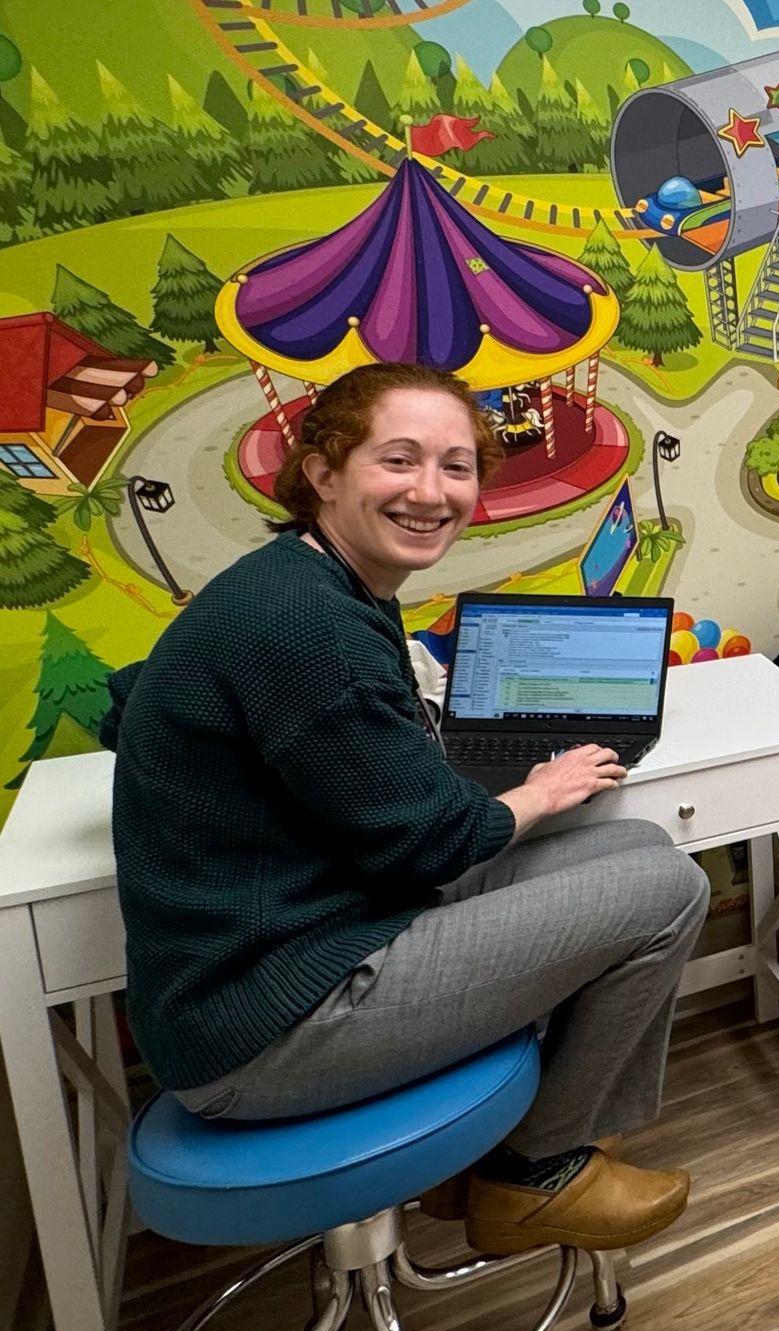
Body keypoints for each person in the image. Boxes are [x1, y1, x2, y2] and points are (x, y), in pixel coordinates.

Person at [102, 362, 710, 1257]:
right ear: (323, 474)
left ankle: (520, 1146)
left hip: (315, 935)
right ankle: (535, 1171)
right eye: (400, 460)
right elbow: (431, 844)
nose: (432, 492)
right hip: (269, 1024)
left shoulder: (311, 584)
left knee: (643, 844)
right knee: (669, 889)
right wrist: (538, 790)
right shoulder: (308, 625)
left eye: (456, 466)